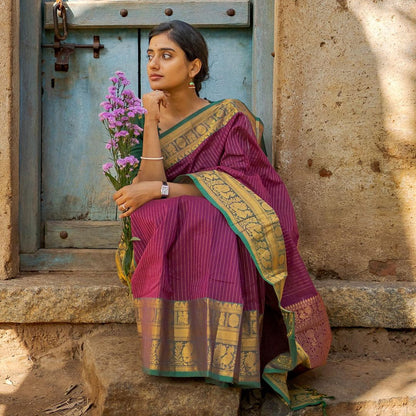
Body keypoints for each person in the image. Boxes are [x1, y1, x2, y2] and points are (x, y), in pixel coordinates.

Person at [113, 20, 331, 410]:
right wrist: (149, 123)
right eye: (150, 56)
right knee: (165, 214)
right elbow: (147, 188)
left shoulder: (228, 117)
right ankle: (172, 352)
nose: (153, 65)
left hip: (217, 214)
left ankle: (230, 355)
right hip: (170, 214)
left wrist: (162, 190)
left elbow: (239, 185)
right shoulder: (145, 117)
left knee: (212, 216)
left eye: (167, 55)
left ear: (193, 67)